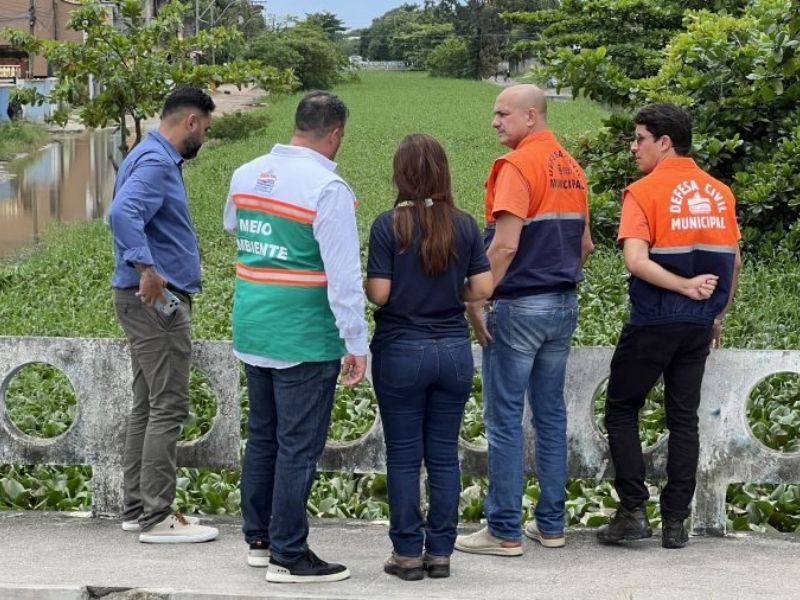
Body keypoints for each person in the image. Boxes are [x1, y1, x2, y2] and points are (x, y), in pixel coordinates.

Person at [223, 90, 368, 583]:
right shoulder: (327, 189)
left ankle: (259, 541)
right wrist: (356, 343)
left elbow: (233, 225)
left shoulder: (246, 174)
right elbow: (345, 277)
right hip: (303, 336)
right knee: (299, 445)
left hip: (253, 325)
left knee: (262, 437)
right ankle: (289, 552)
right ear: (334, 134)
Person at [455, 84, 593, 556]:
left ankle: (504, 530)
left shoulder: (517, 165)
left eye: (502, 114)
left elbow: (505, 244)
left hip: (518, 308)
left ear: (530, 116)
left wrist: (476, 297)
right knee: (550, 416)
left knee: (505, 420)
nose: (494, 122)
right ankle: (551, 525)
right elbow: (586, 247)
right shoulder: (572, 168)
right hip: (562, 304)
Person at [597, 103, 741, 549]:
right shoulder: (720, 193)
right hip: (699, 325)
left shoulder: (643, 192)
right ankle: (676, 523)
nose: (633, 147)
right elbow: (733, 262)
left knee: (622, 409)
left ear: (664, 142)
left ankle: (632, 511)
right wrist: (715, 314)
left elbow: (636, 261)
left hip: (654, 319)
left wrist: (682, 286)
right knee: (683, 419)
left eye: (640, 138)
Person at [366, 134, 493, 580]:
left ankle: (406, 554)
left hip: (402, 349)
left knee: (403, 456)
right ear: (443, 172)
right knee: (442, 454)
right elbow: (482, 289)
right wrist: (448, 291)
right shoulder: (464, 224)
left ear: (400, 174)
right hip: (453, 351)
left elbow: (380, 294)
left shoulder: (388, 225)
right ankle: (440, 553)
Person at [109, 86, 219, 543]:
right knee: (169, 403)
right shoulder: (156, 162)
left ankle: (137, 508)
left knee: (146, 404)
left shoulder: (144, 154)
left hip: (142, 298)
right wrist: (148, 268)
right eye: (206, 130)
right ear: (191, 122)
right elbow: (122, 213)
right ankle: (157, 517)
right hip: (157, 299)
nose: (205, 139)